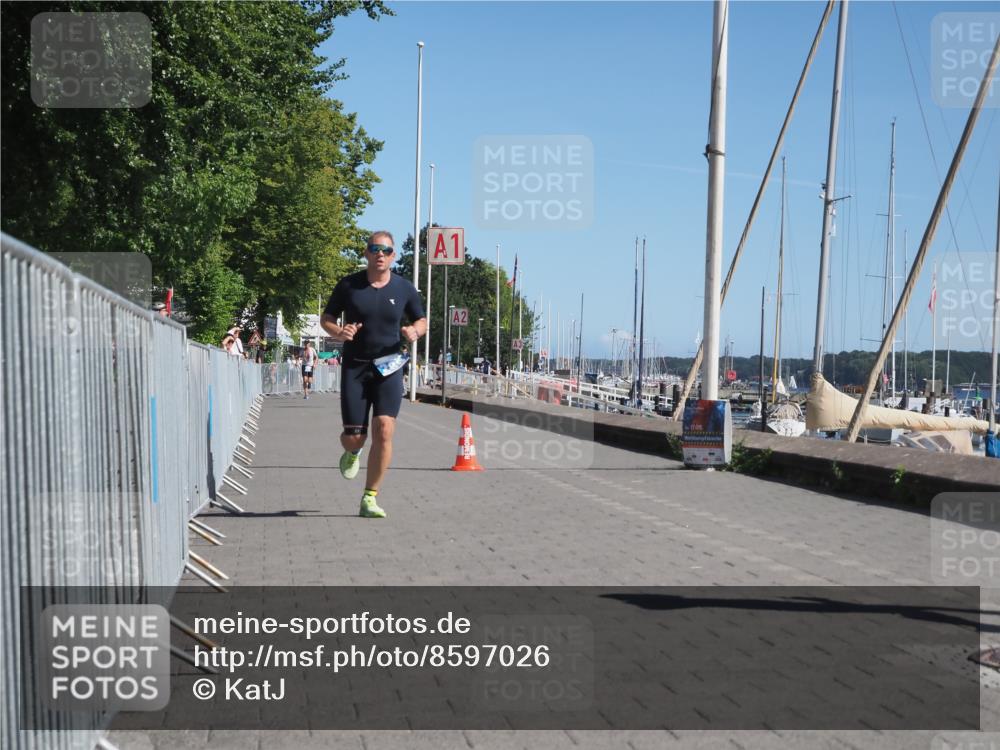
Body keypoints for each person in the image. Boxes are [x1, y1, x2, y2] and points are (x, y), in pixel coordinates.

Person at [320, 230, 427, 519]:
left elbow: (421, 319)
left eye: (387, 250)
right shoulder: (349, 286)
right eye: (375, 248)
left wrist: (414, 331)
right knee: (355, 437)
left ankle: (370, 497)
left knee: (384, 429)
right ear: (366, 253)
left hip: (390, 367)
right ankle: (352, 452)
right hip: (356, 366)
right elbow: (326, 318)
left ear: (393, 256)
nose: (380, 254)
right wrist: (338, 332)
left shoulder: (405, 289)